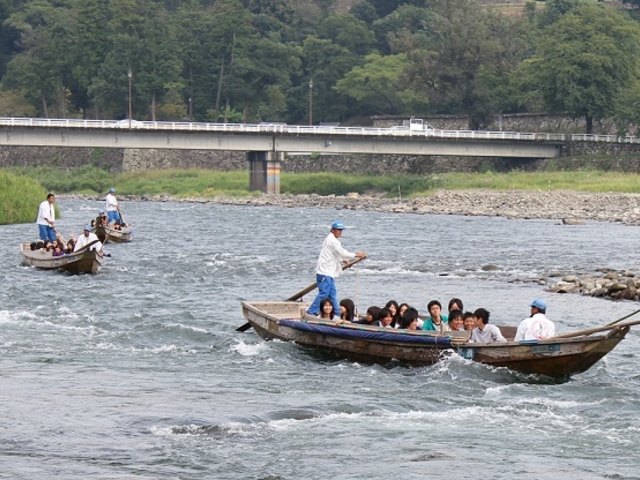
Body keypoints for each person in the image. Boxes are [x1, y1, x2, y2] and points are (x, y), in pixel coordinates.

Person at [306, 221, 366, 318]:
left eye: (341, 230)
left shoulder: (332, 240)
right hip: (324, 272)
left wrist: (345, 261)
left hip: (329, 273)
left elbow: (335, 254)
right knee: (324, 293)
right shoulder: (331, 240)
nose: (340, 232)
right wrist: (356, 255)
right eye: (338, 230)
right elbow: (341, 252)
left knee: (332, 294)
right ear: (333, 230)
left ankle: (337, 313)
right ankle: (311, 312)